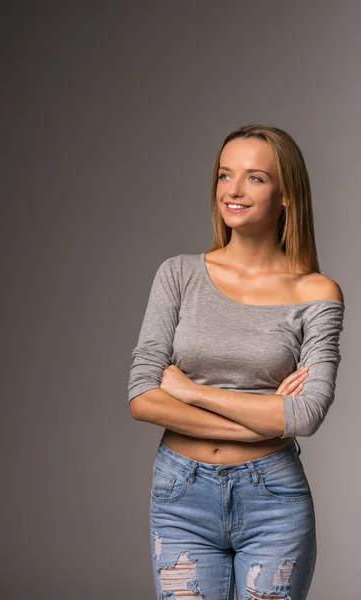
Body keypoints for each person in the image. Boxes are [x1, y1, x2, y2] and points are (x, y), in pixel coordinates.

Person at [127, 124, 345, 600]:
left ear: (287, 194)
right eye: (226, 175)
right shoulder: (178, 274)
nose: (234, 190)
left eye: (255, 178)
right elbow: (143, 397)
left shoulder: (316, 293)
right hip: (180, 497)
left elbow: (305, 414)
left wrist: (191, 392)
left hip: (273, 500)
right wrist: (262, 422)